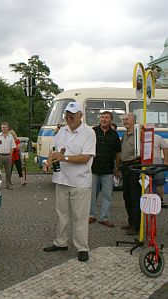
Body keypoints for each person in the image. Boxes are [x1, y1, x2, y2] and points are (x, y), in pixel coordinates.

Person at [42, 102, 96, 262]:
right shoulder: (62, 131)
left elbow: (86, 157)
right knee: (62, 215)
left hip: (80, 182)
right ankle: (61, 242)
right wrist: (48, 162)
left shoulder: (88, 133)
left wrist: (64, 157)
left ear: (80, 116)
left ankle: (82, 248)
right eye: (67, 115)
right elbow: (55, 151)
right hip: (61, 179)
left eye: (72, 115)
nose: (69, 118)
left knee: (80, 216)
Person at [89, 111, 121, 228]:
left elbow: (118, 152)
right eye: (102, 117)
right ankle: (91, 215)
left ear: (110, 120)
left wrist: (117, 168)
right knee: (91, 194)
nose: (104, 119)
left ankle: (104, 218)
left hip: (108, 170)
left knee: (107, 195)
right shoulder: (92, 131)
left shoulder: (114, 134)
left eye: (106, 117)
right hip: (93, 168)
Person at [120, 113, 142, 235]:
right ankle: (131, 221)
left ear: (133, 120)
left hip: (134, 165)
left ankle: (137, 226)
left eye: (126, 119)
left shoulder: (138, 134)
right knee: (126, 195)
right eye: (123, 120)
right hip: (125, 166)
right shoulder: (126, 134)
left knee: (135, 196)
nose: (124, 121)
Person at [150, 133, 168, 207]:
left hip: (157, 165)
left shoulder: (157, 137)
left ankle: (161, 200)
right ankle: (146, 201)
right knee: (145, 184)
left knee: (160, 182)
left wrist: (166, 161)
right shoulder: (140, 137)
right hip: (143, 165)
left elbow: (165, 148)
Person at [0, 122, 16, 189]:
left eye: (5, 127)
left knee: (8, 172)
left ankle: (9, 185)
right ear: (1, 128)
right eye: (3, 127)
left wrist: (10, 155)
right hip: (0, 156)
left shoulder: (10, 137)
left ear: (8, 128)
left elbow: (13, 147)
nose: (4, 129)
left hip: (8, 156)